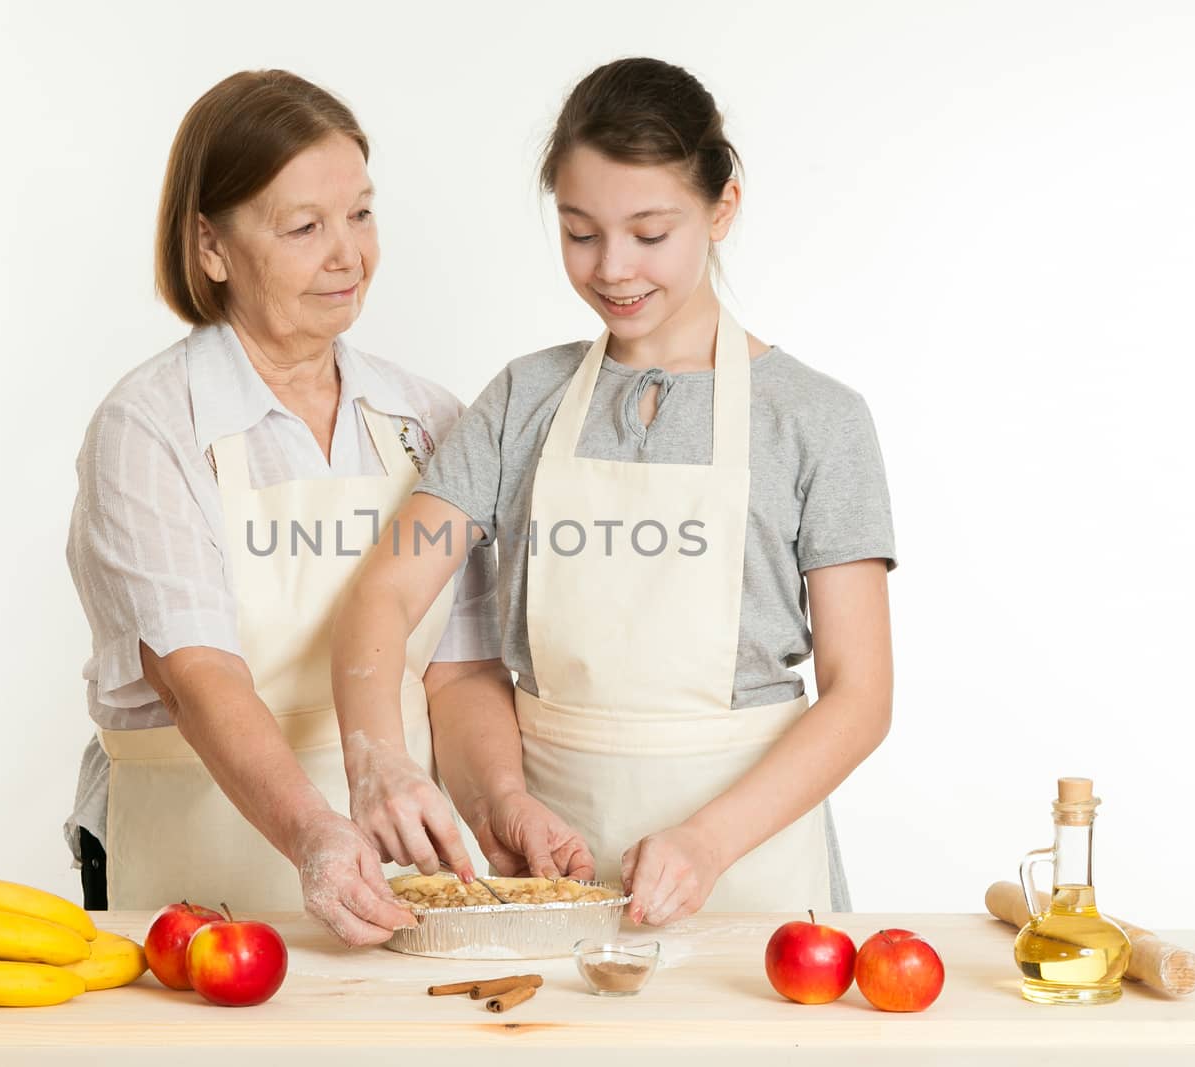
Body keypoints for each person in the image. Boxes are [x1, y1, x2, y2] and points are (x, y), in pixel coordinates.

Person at [332, 57, 896, 926]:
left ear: (722, 208)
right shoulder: (523, 399)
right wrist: (382, 760)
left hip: (753, 874)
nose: (613, 267)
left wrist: (707, 840)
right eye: (580, 231)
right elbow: (387, 587)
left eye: (650, 231)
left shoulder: (818, 420)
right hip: (556, 866)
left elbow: (860, 696)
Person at [62, 70, 505, 946]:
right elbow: (198, 677)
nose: (349, 255)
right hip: (192, 867)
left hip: (397, 876)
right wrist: (314, 832)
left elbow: (460, 672)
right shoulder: (149, 427)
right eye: (304, 227)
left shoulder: (431, 419)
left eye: (362, 214)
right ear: (211, 246)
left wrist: (503, 809)